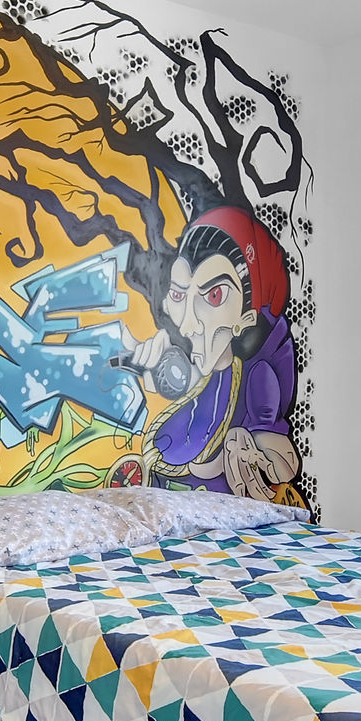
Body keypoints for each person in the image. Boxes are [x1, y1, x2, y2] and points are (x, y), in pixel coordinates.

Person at [123, 206, 300, 502]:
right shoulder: (193, 381)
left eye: (214, 295)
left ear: (246, 317)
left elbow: (283, 460)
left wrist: (254, 450)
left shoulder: (257, 377)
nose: (188, 324)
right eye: (179, 294)